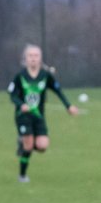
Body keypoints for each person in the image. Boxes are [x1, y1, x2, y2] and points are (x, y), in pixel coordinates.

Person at [7, 44, 79, 182]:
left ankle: (24, 142)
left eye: (36, 55)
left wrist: (68, 106)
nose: (33, 58)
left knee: (42, 146)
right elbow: (12, 94)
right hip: (23, 116)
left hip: (39, 116)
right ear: (25, 59)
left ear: (40, 58)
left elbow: (58, 91)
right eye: (30, 56)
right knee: (28, 146)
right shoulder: (20, 76)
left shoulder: (46, 76)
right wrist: (21, 105)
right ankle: (22, 175)